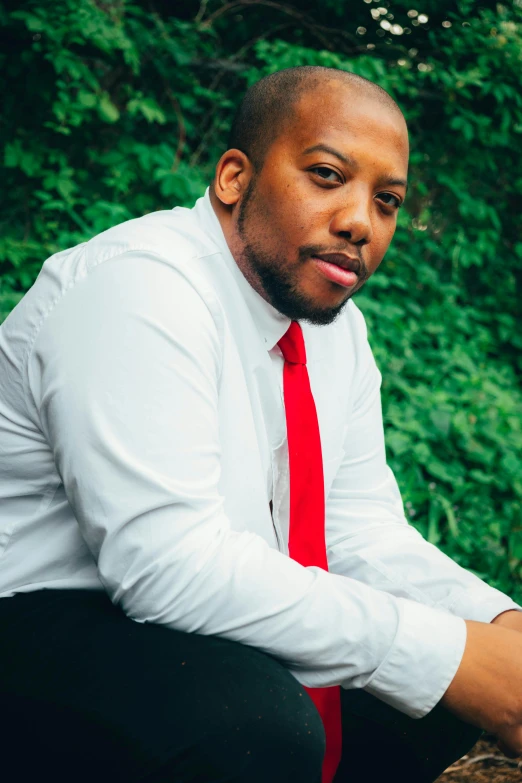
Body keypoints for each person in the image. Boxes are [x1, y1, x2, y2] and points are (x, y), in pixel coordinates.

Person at [0, 66, 522, 783]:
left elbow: (359, 529)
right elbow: (167, 566)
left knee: (437, 688)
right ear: (234, 178)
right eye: (327, 174)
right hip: (36, 616)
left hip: (183, 622)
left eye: (388, 200)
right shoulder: (139, 287)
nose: (360, 221)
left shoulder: (337, 331)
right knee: (249, 721)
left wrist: (495, 628)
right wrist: (442, 651)